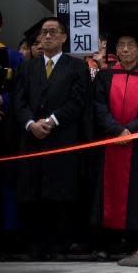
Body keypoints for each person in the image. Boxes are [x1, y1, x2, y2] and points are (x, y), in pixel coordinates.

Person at [13, 17, 90, 260]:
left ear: (64, 37)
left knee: (62, 193)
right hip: (32, 138)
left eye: (53, 32)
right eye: (44, 33)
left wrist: (52, 120)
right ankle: (35, 246)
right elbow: (19, 100)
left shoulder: (76, 67)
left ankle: (61, 245)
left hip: (63, 137)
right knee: (32, 193)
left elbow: (78, 101)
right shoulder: (28, 67)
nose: (47, 36)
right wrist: (30, 123)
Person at [91, 31, 138, 258]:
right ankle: (108, 241)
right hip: (110, 142)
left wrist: (131, 130)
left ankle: (133, 240)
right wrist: (116, 130)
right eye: (121, 45)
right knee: (107, 190)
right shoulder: (105, 76)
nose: (125, 50)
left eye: (131, 45)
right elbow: (99, 105)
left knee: (137, 190)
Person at [0, 8, 24, 259]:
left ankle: (7, 238)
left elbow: (23, 92)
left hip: (3, 130)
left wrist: (2, 99)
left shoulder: (13, 57)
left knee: (5, 185)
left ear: (0, 26)